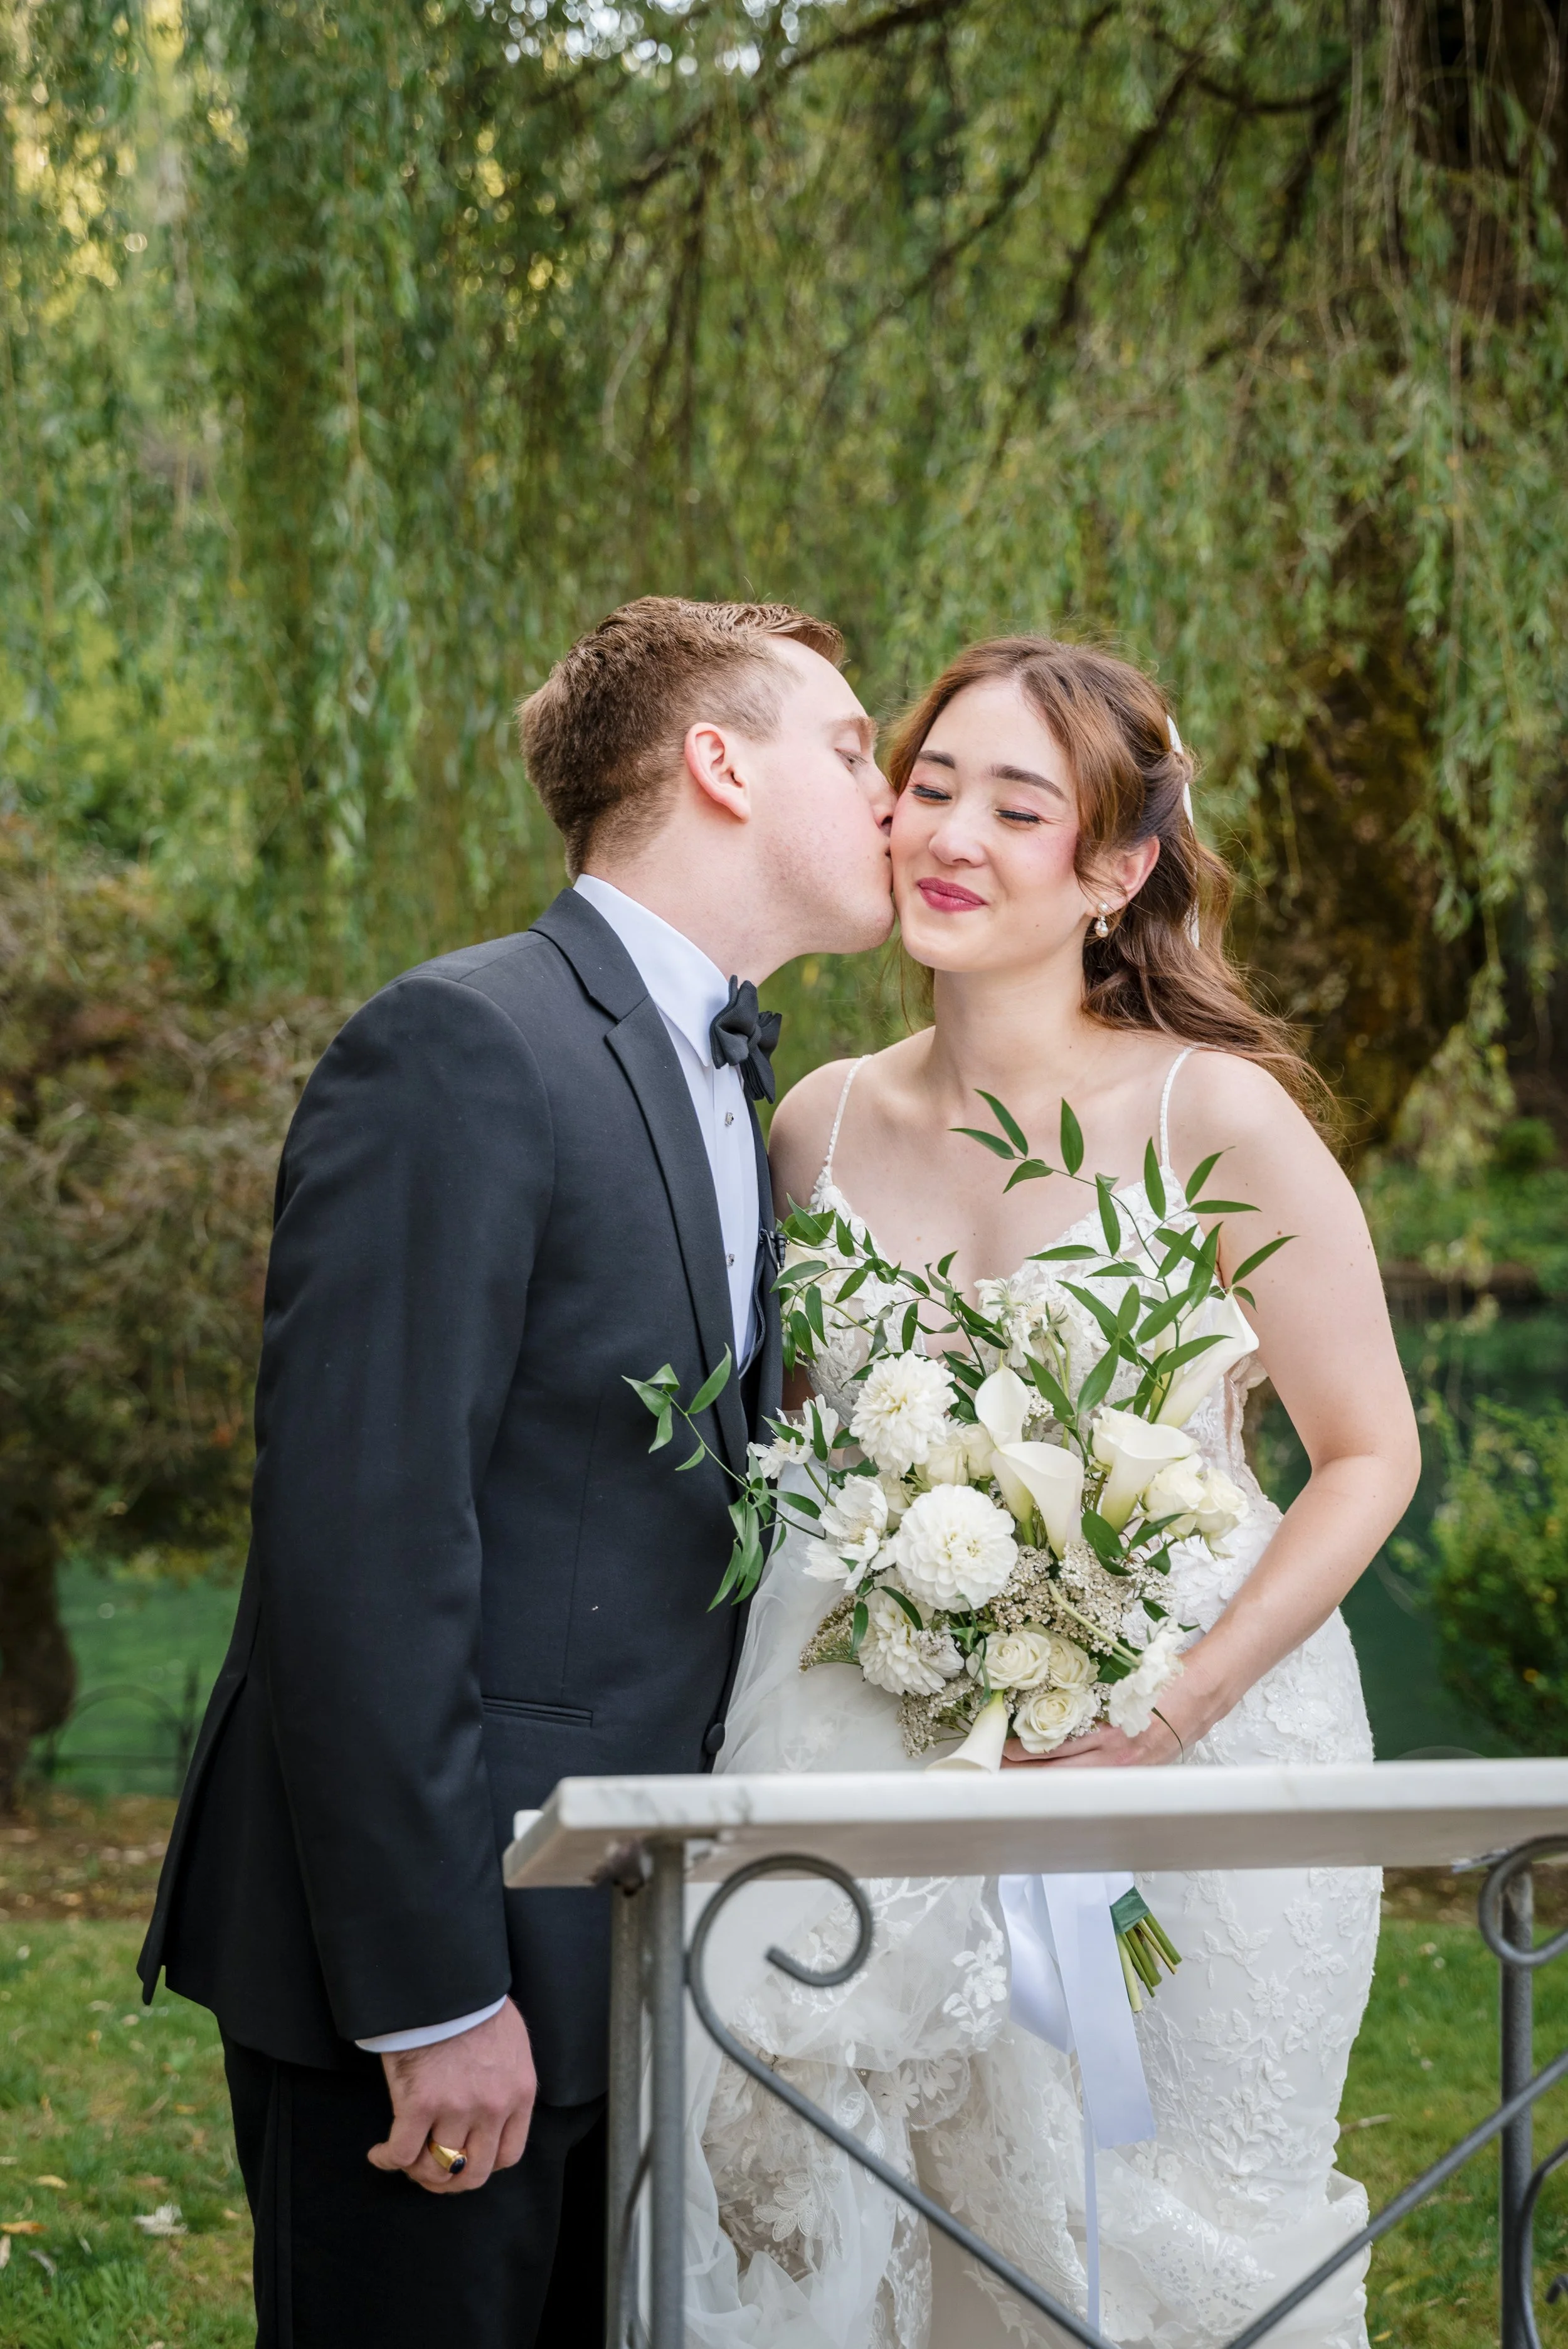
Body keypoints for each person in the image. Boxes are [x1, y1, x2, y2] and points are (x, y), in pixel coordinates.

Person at [137, 595, 895, 2348]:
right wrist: (424, 1994)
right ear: (717, 764)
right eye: (850, 751)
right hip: (433, 1957)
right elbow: (362, 1542)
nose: (891, 797)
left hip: (635, 1949)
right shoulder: (464, 1044)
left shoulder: (744, 1087)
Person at [682, 637, 1421, 2349]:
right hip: (904, 1761)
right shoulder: (812, 1125)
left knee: (1185, 2234)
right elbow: (796, 1476)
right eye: (929, 785)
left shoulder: (1212, 1114)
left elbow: (1366, 1451)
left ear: (1115, 867)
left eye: (1019, 807)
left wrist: (1172, 1709)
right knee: (936, 2235)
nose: (949, 833)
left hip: (1213, 1757)